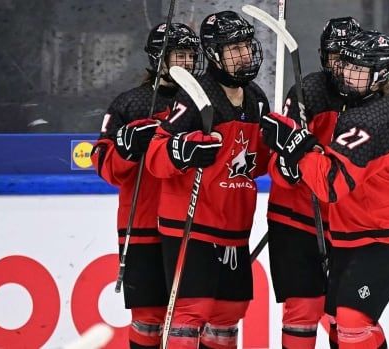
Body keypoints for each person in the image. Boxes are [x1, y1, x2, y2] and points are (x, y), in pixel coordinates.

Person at [261, 30, 389, 349]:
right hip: (355, 228)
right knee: (339, 319)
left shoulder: (368, 119)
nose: (348, 77)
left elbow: (329, 185)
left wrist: (297, 146)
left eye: (358, 71)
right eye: (347, 67)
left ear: (381, 75)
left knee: (352, 322)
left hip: (383, 234)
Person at [144, 11, 270, 349]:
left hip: (234, 227)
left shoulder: (257, 99)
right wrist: (181, 151)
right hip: (192, 224)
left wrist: (284, 154)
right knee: (190, 313)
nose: (244, 54)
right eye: (234, 47)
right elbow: (156, 155)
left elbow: (255, 166)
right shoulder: (195, 93)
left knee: (229, 313)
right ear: (214, 52)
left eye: (246, 45)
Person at [90, 23, 203, 349]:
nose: (186, 62)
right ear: (159, 57)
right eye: (178, 54)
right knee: (148, 319)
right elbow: (103, 164)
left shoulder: (204, 101)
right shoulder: (130, 103)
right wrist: (125, 149)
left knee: (190, 319)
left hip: (190, 226)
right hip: (143, 225)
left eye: (191, 55)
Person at [264, 17, 362, 349]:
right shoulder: (307, 93)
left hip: (345, 222)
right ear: (323, 56)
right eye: (335, 56)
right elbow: (276, 162)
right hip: (294, 217)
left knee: (346, 314)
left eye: (348, 56)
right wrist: (288, 166)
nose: (341, 64)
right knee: (303, 308)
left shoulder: (370, 98)